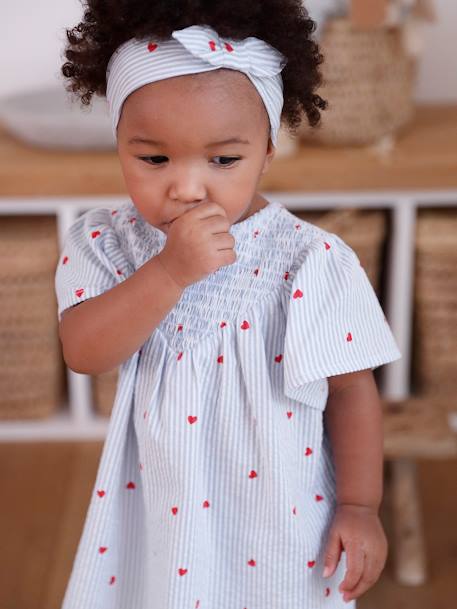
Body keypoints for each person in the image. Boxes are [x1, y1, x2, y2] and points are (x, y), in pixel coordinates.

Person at [55, 2, 401, 608]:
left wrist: (359, 505)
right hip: (158, 500)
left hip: (278, 506)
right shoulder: (104, 241)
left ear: (267, 150)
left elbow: (351, 388)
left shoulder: (309, 260)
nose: (187, 187)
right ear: (118, 143)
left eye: (223, 160)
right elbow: (85, 351)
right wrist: (168, 272)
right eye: (153, 158)